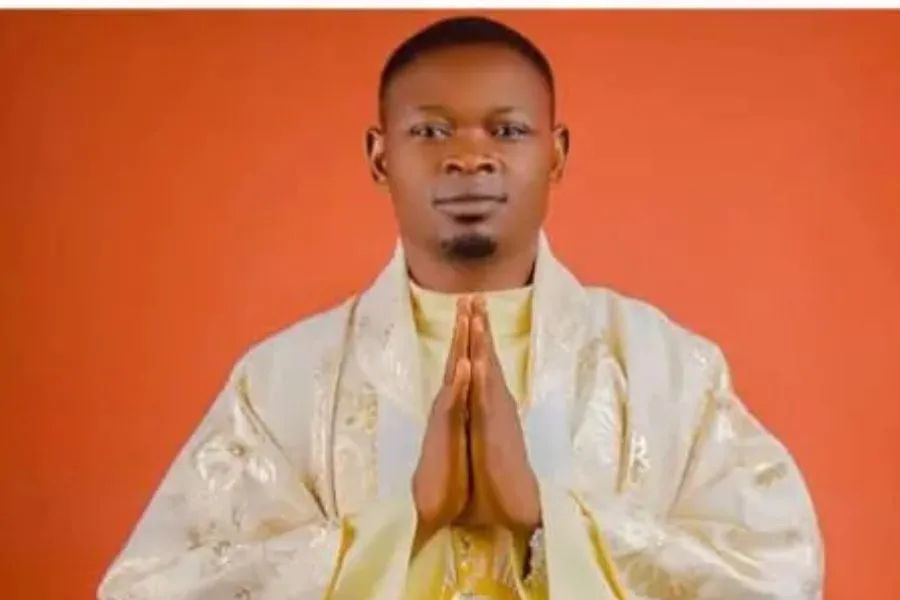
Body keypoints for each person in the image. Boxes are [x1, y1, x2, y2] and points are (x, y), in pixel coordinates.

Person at [98, 16, 824, 600]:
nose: (469, 157)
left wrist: (544, 516)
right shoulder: (284, 382)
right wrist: (407, 519)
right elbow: (150, 589)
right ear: (379, 156)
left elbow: (781, 575)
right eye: (431, 131)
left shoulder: (666, 369)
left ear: (557, 153)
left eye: (507, 131)